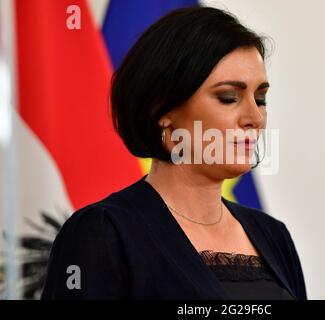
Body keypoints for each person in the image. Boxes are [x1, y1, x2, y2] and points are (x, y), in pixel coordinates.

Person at [41, 5, 307, 300]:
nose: (255, 118)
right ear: (163, 111)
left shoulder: (274, 236)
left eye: (260, 98)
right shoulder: (103, 233)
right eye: (229, 97)